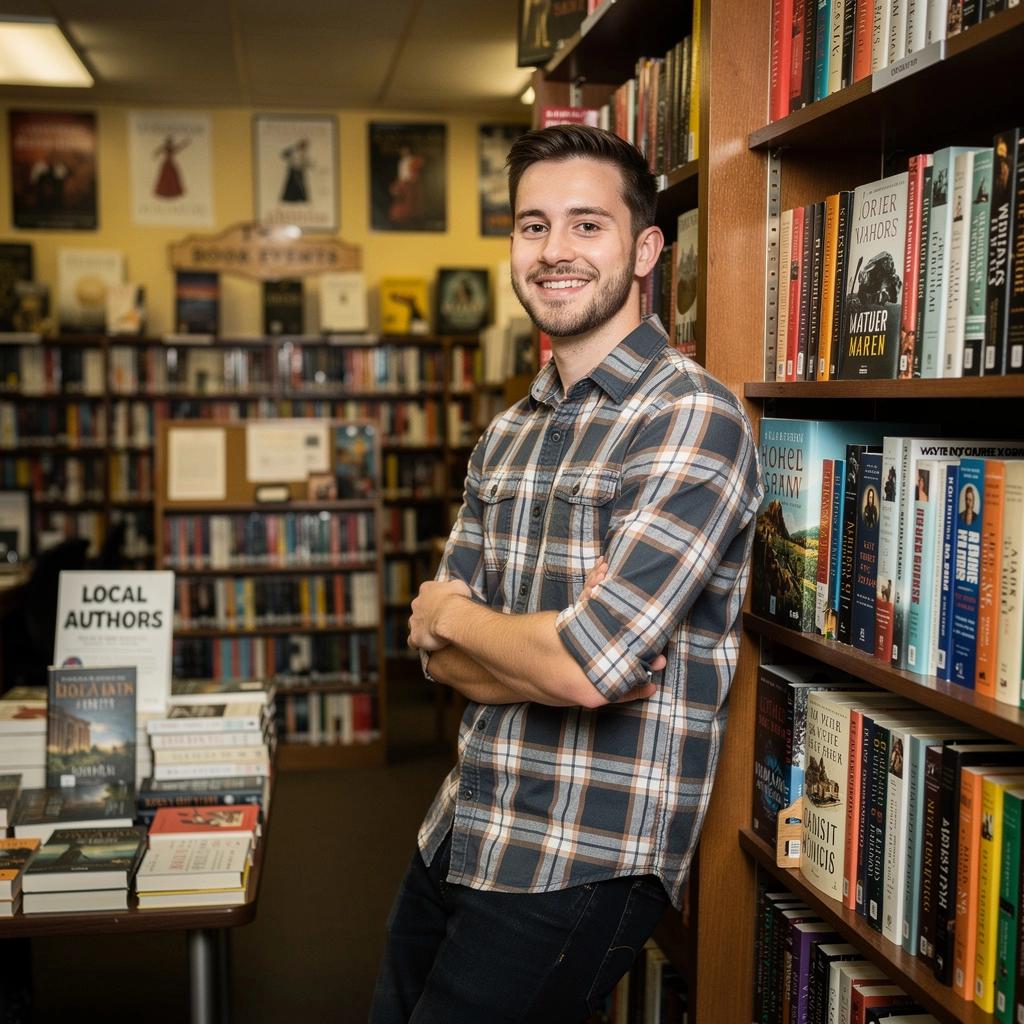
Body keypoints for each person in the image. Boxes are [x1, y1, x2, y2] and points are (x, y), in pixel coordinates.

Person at [370, 124, 762, 1023]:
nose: (554, 251)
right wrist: (526, 650)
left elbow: (583, 666)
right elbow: (434, 657)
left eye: (587, 225)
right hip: (462, 824)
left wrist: (471, 625)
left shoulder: (692, 419)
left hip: (584, 853)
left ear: (645, 250)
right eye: (532, 225)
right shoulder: (509, 433)